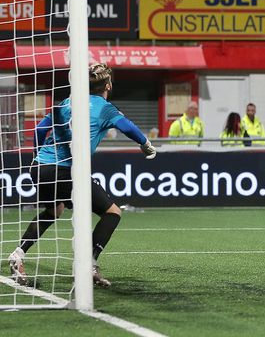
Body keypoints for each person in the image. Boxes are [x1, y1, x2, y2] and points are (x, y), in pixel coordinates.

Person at [8, 63, 157, 288]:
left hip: (39, 167)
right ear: (108, 85)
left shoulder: (67, 102)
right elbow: (127, 127)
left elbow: (39, 130)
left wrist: (38, 155)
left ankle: (18, 254)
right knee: (112, 212)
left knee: (54, 211)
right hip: (66, 170)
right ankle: (88, 263)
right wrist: (146, 145)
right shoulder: (105, 108)